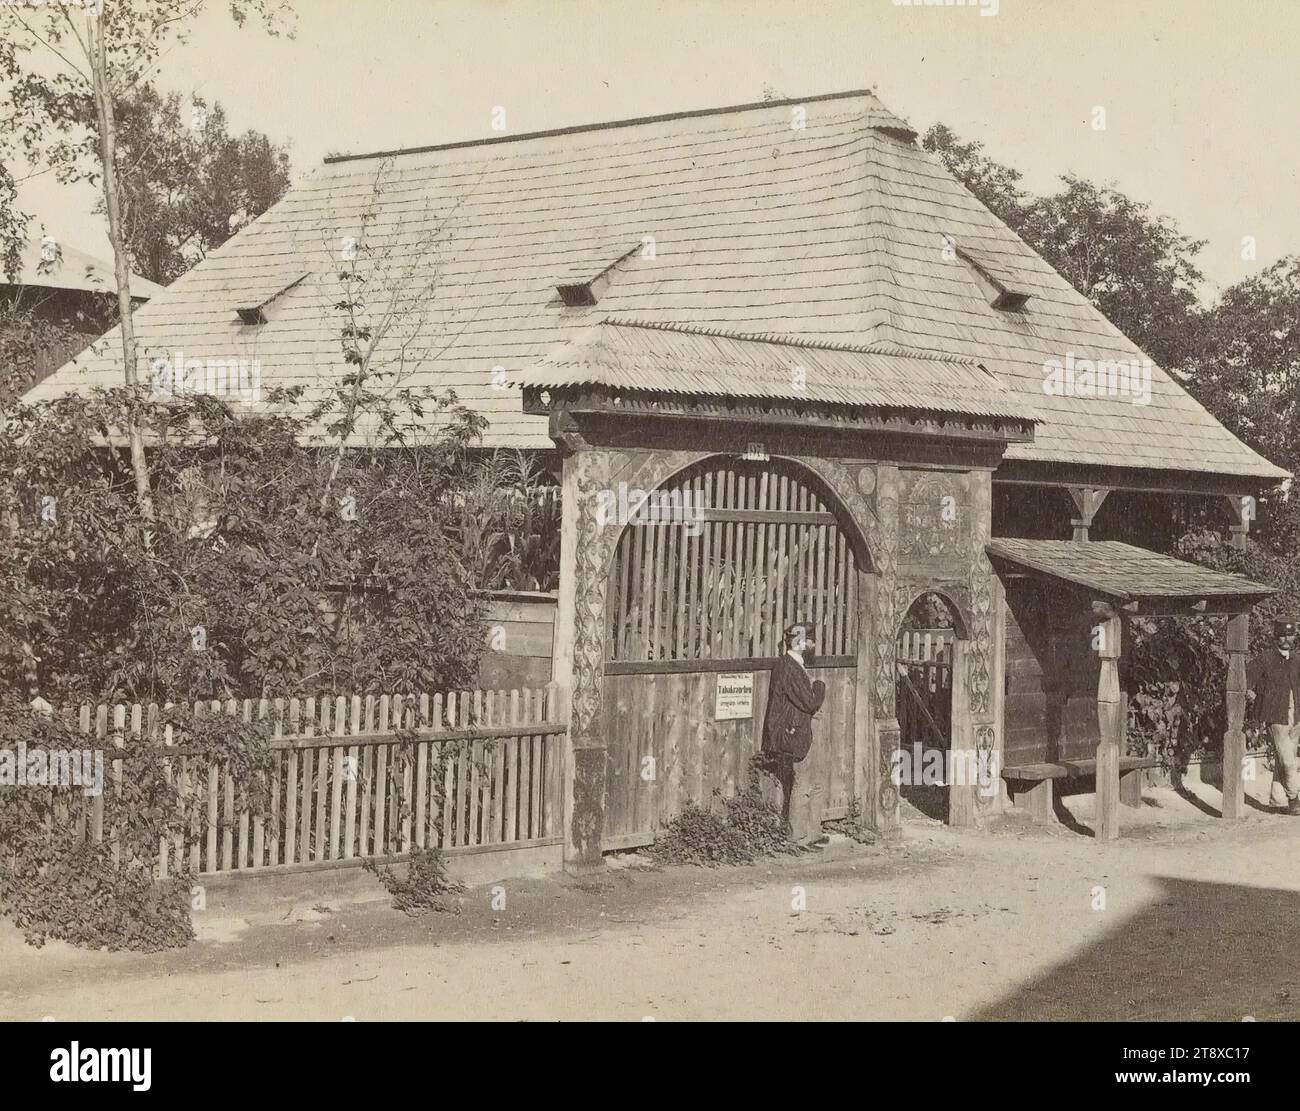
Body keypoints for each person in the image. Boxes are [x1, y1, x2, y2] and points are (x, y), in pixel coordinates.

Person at [761, 622, 828, 849]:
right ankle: (797, 837)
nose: (813, 645)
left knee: (816, 781)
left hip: (804, 731)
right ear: (800, 642)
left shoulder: (795, 665)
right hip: (795, 734)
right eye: (810, 640)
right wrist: (819, 686)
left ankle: (813, 831)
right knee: (803, 782)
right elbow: (809, 702)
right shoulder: (788, 666)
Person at [1246, 619, 1300, 815]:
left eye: (1290, 635)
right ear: (1276, 637)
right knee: (1288, 761)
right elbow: (1245, 679)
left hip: (1296, 717)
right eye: (1282, 635)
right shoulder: (1265, 658)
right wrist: (1256, 698)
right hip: (1275, 717)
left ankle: (1277, 800)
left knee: (1282, 759)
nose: (1286, 639)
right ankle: (1294, 798)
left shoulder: (1297, 659)